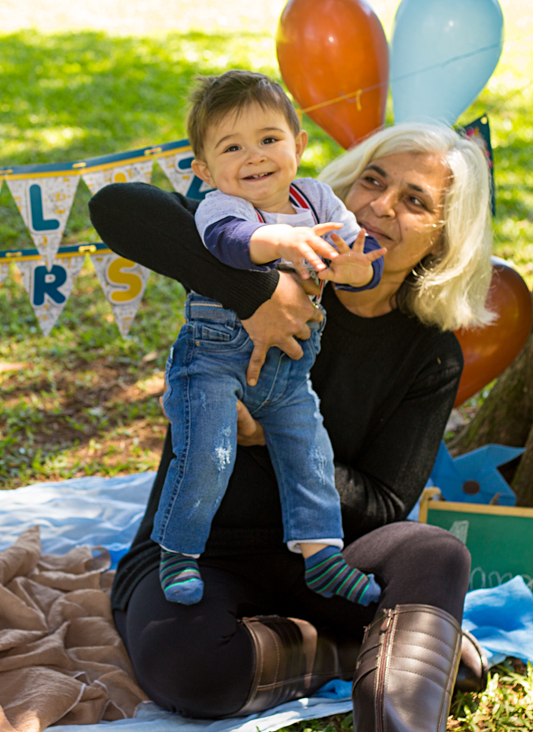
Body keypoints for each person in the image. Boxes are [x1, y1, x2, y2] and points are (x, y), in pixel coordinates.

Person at [89, 119, 494, 732]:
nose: (380, 207)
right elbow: (117, 207)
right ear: (341, 191)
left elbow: (384, 505)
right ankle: (355, 650)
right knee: (196, 669)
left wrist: (267, 437)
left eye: (415, 201)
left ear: (443, 240)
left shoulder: (430, 352)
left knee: (436, 551)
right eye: (372, 181)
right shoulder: (257, 249)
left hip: (324, 557)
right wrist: (253, 295)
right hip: (203, 551)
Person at [155, 70, 386, 607]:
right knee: (208, 455)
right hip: (213, 360)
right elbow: (233, 244)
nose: (254, 156)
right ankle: (177, 551)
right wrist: (280, 237)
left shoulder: (319, 199)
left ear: (298, 146)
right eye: (232, 147)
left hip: (289, 369)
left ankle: (322, 556)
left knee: (311, 455)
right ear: (206, 170)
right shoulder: (223, 206)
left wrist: (353, 270)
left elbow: (364, 257)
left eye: (268, 139)